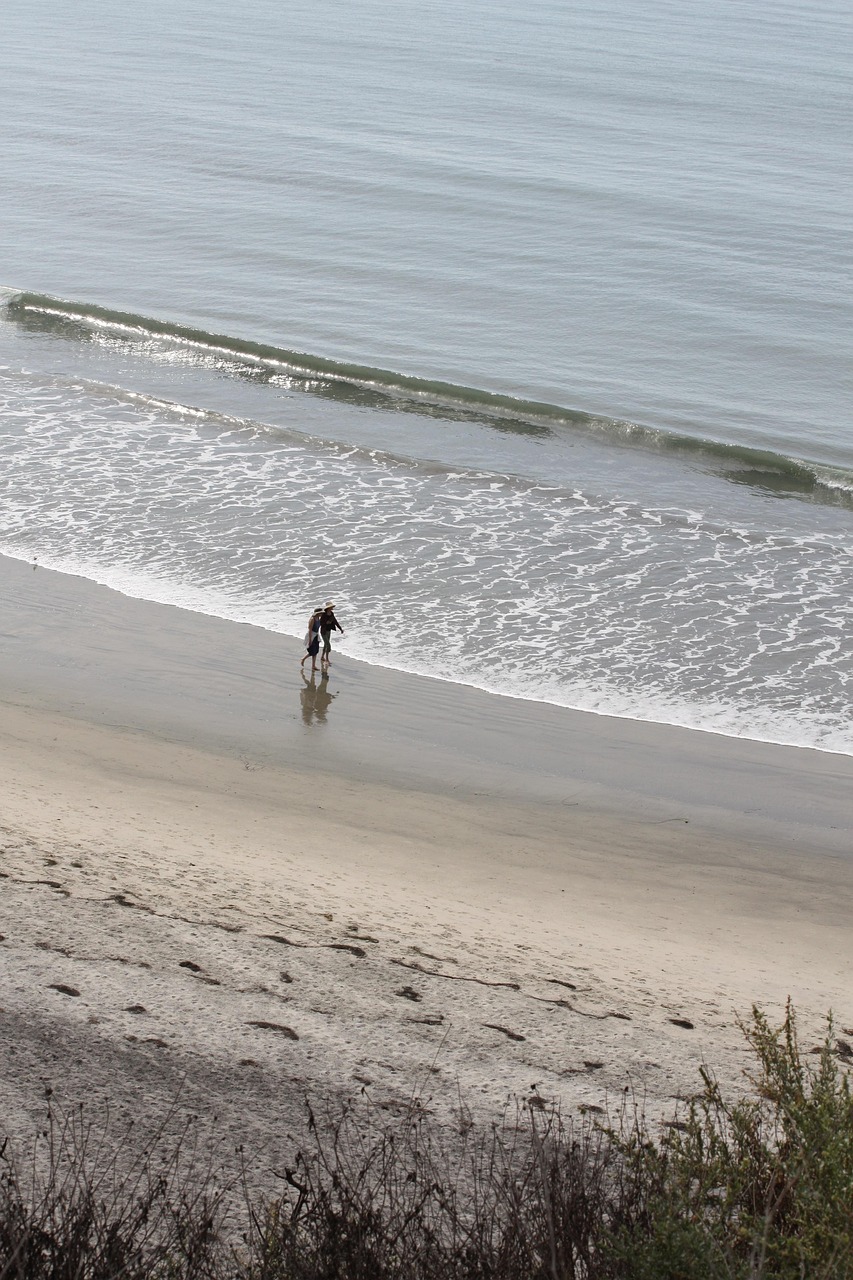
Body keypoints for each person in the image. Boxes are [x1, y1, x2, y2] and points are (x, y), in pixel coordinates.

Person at [319, 601, 344, 666]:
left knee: (325, 644)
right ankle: (327, 659)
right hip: (323, 631)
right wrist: (326, 623)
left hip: (328, 631)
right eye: (331, 607)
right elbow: (321, 623)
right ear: (328, 608)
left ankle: (322, 657)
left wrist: (340, 628)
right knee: (328, 645)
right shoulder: (324, 614)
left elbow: (335, 621)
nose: (332, 608)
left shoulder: (332, 613)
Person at [300, 607, 323, 671]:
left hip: (316, 635)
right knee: (312, 651)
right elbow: (310, 630)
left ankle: (313, 665)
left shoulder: (318, 618)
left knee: (316, 651)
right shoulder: (312, 619)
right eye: (321, 613)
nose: (322, 614)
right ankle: (303, 659)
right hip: (311, 635)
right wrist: (310, 640)